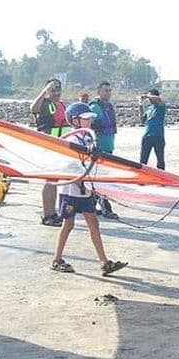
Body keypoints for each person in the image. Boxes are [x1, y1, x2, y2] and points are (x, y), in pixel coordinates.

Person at [50, 102, 129, 276]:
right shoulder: (71, 139)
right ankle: (56, 259)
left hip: (85, 189)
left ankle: (104, 262)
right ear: (75, 121)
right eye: (86, 119)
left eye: (90, 119)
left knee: (94, 223)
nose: (89, 122)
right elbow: (70, 164)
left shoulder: (88, 138)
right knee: (68, 224)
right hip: (72, 189)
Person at [30, 78, 71, 227]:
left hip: (58, 149)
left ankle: (52, 213)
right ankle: (47, 215)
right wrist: (44, 91)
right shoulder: (44, 104)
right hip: (47, 148)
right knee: (49, 181)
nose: (56, 93)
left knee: (54, 181)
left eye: (58, 90)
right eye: (53, 90)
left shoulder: (61, 105)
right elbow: (33, 109)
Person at [88, 80, 119, 219]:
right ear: (98, 92)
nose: (108, 93)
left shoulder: (107, 106)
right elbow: (90, 125)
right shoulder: (95, 107)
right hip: (99, 147)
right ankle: (106, 208)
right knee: (101, 179)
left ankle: (92, 206)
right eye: (105, 90)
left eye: (109, 90)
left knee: (99, 179)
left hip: (108, 146)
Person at [138, 88, 166, 169]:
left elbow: (159, 99)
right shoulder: (149, 108)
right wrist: (140, 106)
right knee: (143, 161)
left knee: (160, 161)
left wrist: (146, 96)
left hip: (158, 137)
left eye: (150, 97)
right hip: (147, 137)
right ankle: (141, 179)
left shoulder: (161, 106)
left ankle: (161, 179)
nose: (149, 99)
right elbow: (142, 121)